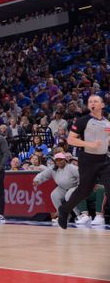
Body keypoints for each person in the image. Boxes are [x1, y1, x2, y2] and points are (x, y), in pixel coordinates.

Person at [57, 95, 110, 230]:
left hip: (104, 160)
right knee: (84, 191)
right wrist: (90, 144)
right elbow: (71, 140)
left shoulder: (107, 123)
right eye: (90, 101)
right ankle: (64, 210)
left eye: (95, 101)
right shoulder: (83, 121)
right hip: (88, 160)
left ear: (102, 105)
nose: (92, 103)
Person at [33, 152, 79, 224]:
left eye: (61, 160)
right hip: (62, 188)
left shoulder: (71, 168)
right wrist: (37, 180)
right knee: (54, 195)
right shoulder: (53, 168)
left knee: (68, 196)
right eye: (57, 160)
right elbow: (43, 174)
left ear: (65, 160)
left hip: (75, 186)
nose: (59, 162)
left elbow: (82, 175)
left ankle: (79, 216)